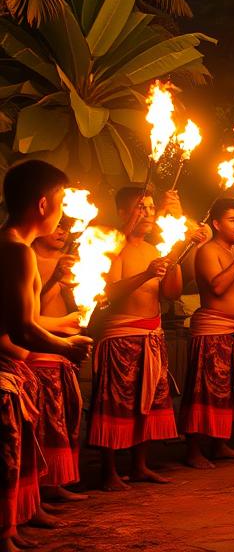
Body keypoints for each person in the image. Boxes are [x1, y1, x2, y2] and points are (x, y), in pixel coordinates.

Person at [0, 160, 92, 551]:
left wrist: (65, 322)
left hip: (14, 367)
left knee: (16, 455)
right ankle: (4, 538)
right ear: (42, 204)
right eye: (60, 203)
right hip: (4, 369)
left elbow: (28, 318)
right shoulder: (16, 251)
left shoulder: (14, 247)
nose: (62, 213)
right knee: (5, 458)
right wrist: (65, 348)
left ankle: (12, 527)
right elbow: (20, 329)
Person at [89, 187, 195, 489]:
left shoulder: (153, 249)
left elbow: (171, 292)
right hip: (122, 334)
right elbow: (107, 294)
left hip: (152, 333)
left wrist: (172, 260)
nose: (148, 213)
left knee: (146, 401)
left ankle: (139, 466)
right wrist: (147, 274)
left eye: (151, 207)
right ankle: (109, 472)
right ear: (123, 213)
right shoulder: (113, 246)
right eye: (141, 207)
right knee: (115, 403)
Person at [180, 197, 234, 469]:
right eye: (233, 220)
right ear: (216, 223)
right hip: (213, 329)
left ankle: (219, 444)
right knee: (205, 390)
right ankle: (192, 450)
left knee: (226, 391)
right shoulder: (208, 250)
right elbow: (217, 287)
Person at [29, 221, 85, 502]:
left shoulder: (69, 260)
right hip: (38, 350)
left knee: (63, 419)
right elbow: (29, 314)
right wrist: (62, 323)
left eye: (66, 226)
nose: (62, 231)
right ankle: (38, 488)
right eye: (57, 226)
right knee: (45, 423)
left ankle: (55, 483)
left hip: (63, 351)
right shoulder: (29, 259)